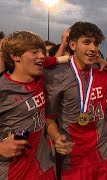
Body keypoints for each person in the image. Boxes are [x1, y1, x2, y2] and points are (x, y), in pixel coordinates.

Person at [44, 21, 107, 179]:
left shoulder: (103, 72)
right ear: (72, 44)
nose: (93, 48)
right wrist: (57, 138)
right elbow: (49, 119)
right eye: (86, 42)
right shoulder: (56, 76)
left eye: (96, 44)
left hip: (105, 155)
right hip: (74, 160)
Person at [0, 31, 55, 179]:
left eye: (42, 52)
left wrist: (102, 62)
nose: (42, 56)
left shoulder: (41, 78)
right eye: (34, 52)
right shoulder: (3, 89)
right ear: (15, 56)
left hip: (44, 168)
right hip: (15, 173)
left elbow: (56, 60)